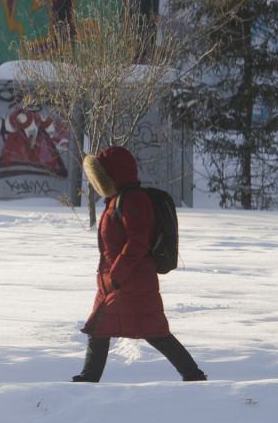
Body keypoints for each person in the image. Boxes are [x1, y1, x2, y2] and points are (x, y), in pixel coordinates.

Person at [71, 145, 206, 383]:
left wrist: (117, 275)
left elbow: (138, 241)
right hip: (118, 282)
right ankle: (88, 379)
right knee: (103, 329)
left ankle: (193, 376)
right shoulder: (115, 201)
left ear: (113, 174)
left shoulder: (133, 200)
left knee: (152, 331)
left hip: (130, 282)